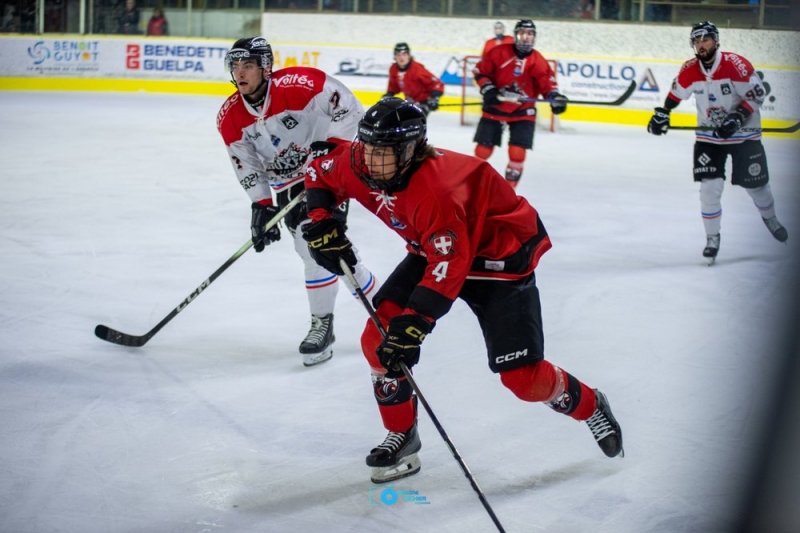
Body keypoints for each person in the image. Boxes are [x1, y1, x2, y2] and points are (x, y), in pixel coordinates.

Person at [301, 98, 623, 484]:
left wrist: (415, 323)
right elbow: (319, 166)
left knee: (524, 380)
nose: (370, 161)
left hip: (498, 258)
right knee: (378, 340)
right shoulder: (360, 162)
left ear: (410, 150)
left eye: (382, 152)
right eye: (367, 147)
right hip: (436, 246)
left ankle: (591, 405)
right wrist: (322, 219)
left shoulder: (436, 190)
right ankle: (402, 434)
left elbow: (448, 267)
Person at [216, 36, 380, 366]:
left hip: (327, 171)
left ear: (266, 67)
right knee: (330, 254)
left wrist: (332, 146)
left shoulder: (302, 84)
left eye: (248, 65)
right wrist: (261, 204)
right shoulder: (230, 116)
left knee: (316, 245)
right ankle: (386, 306)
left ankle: (324, 324)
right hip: (287, 184)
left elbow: (349, 107)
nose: (240, 73)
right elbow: (245, 164)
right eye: (235, 66)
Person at [647, 21, 788, 263]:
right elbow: (676, 94)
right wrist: (663, 113)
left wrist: (737, 117)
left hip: (744, 135)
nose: (701, 45)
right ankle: (712, 238)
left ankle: (770, 218)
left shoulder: (736, 65)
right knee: (709, 189)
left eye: (706, 40)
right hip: (709, 137)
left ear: (716, 41)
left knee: (757, 187)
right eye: (697, 41)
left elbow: (757, 95)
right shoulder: (690, 69)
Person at [472, 19, 568, 189]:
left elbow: (547, 84)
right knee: (482, 150)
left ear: (534, 37)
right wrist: (489, 89)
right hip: (495, 107)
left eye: (529, 34)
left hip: (523, 111)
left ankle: (509, 192)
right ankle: (472, 183)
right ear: (515, 35)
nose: (525, 37)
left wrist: (555, 97)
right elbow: (480, 71)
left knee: (517, 152)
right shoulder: (498, 52)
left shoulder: (538, 60)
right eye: (522, 33)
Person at [382, 42, 444, 117]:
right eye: (398, 55)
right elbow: (394, 86)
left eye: (404, 54)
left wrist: (434, 98)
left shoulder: (417, 69)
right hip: (409, 102)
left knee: (412, 121)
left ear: (409, 55)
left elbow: (437, 83)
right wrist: (389, 94)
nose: (401, 57)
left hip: (423, 103)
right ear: (395, 57)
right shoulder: (394, 69)